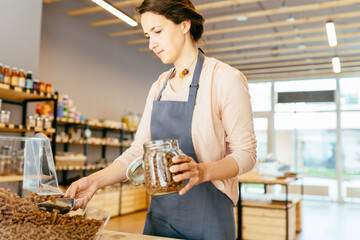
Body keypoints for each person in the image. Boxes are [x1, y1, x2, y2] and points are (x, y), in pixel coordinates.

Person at [65, 0, 257, 239]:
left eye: (157, 31)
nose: (151, 43)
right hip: (161, 217)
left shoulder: (224, 79)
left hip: (209, 218)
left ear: (184, 25)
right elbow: (139, 152)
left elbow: (246, 154)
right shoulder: (159, 86)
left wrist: (202, 171)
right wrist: (94, 181)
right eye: (147, 35)